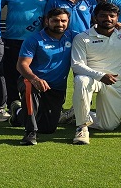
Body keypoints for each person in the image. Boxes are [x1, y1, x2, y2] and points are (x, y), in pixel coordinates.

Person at [70, 2, 121, 145]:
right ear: (95, 18)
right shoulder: (82, 37)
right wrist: (100, 75)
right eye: (103, 15)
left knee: (108, 126)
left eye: (112, 16)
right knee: (81, 80)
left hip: (117, 82)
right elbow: (77, 65)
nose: (108, 19)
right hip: (93, 78)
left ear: (117, 18)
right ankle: (82, 127)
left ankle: (76, 113)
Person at [10, 8, 74, 146]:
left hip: (56, 87)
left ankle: (18, 111)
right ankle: (30, 132)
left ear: (68, 22)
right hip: (33, 81)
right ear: (47, 21)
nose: (60, 24)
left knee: (48, 129)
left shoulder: (73, 37)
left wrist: (117, 27)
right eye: (55, 20)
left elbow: (93, 35)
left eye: (63, 21)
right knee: (30, 88)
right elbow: (21, 65)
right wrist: (35, 79)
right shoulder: (34, 39)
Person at [2, 0, 57, 106]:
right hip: (13, 39)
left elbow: (56, 13)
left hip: (39, 40)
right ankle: (14, 103)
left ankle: (42, 101)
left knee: (40, 72)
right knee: (12, 72)